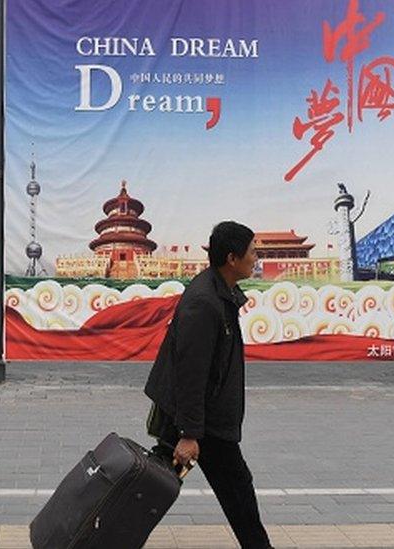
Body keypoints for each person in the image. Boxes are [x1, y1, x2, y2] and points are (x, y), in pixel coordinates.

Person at [144, 220, 272, 549]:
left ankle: (101, 532)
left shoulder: (220, 292)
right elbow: (191, 372)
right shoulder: (205, 302)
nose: (256, 257)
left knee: (151, 489)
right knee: (237, 490)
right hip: (203, 423)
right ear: (232, 258)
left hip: (200, 417)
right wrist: (189, 434)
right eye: (252, 252)